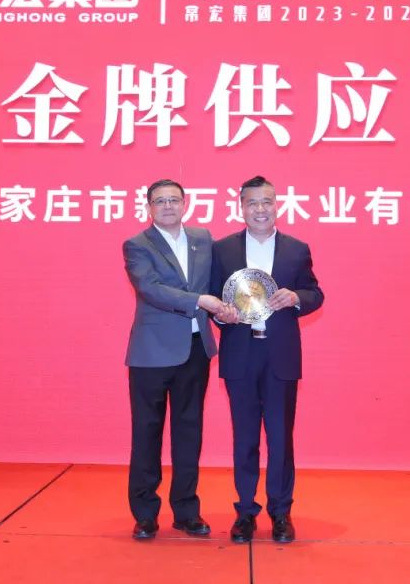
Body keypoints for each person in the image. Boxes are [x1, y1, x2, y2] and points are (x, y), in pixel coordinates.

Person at [211, 175, 324, 544]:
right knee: (244, 438)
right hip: (240, 355)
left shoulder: (297, 249)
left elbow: (315, 293)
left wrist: (296, 297)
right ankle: (245, 511)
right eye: (252, 203)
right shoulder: (222, 249)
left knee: (280, 438)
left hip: (280, 356)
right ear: (241, 207)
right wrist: (221, 315)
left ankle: (280, 511)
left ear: (277, 205)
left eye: (267, 202)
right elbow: (212, 298)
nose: (260, 209)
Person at [123, 179, 228, 540]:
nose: (167, 206)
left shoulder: (203, 238)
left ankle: (186, 511)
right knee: (147, 433)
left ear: (185, 204)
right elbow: (150, 289)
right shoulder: (137, 245)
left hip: (196, 350)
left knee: (189, 432)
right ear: (148, 207)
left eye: (173, 200)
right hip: (151, 353)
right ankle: (145, 514)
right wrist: (199, 301)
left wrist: (229, 308)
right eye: (160, 201)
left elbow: (216, 285)